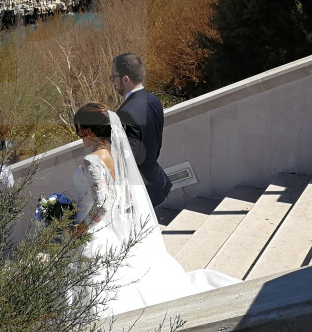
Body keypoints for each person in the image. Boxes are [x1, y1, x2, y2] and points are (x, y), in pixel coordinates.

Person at [70, 103, 237, 317]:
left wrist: (82, 228)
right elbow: (121, 194)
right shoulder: (116, 155)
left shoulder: (92, 160)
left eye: (79, 129)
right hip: (114, 226)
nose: (78, 136)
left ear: (89, 130)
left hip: (98, 229)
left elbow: (103, 203)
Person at [111, 53, 171, 209]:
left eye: (113, 77)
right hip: (155, 177)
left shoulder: (125, 113)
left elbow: (129, 158)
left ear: (125, 79)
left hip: (141, 188)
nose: (113, 82)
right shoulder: (153, 100)